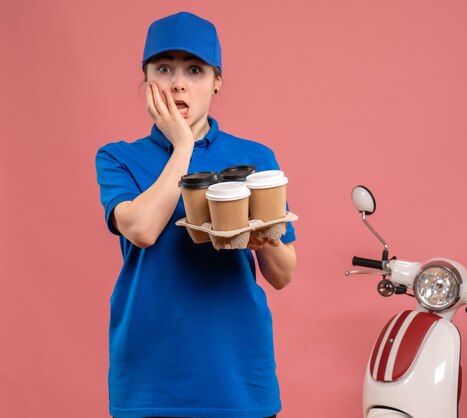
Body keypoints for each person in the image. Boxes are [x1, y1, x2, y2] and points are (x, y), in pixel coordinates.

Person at [95, 11, 296, 418]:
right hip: (149, 379)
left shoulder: (254, 158)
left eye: (195, 70)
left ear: (217, 81)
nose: (178, 82)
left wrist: (264, 237)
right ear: (146, 78)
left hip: (238, 375)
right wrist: (183, 146)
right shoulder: (118, 157)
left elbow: (282, 275)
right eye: (164, 68)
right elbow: (143, 230)